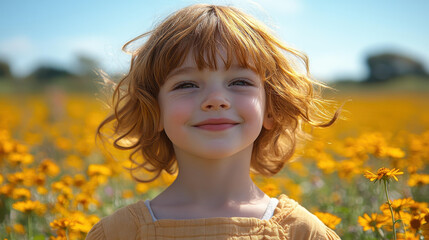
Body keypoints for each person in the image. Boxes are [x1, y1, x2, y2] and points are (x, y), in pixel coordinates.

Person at [86, 3, 341, 240]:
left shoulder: (303, 232)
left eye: (240, 82)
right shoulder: (118, 233)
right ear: (155, 111)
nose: (216, 100)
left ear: (270, 109)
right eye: (186, 84)